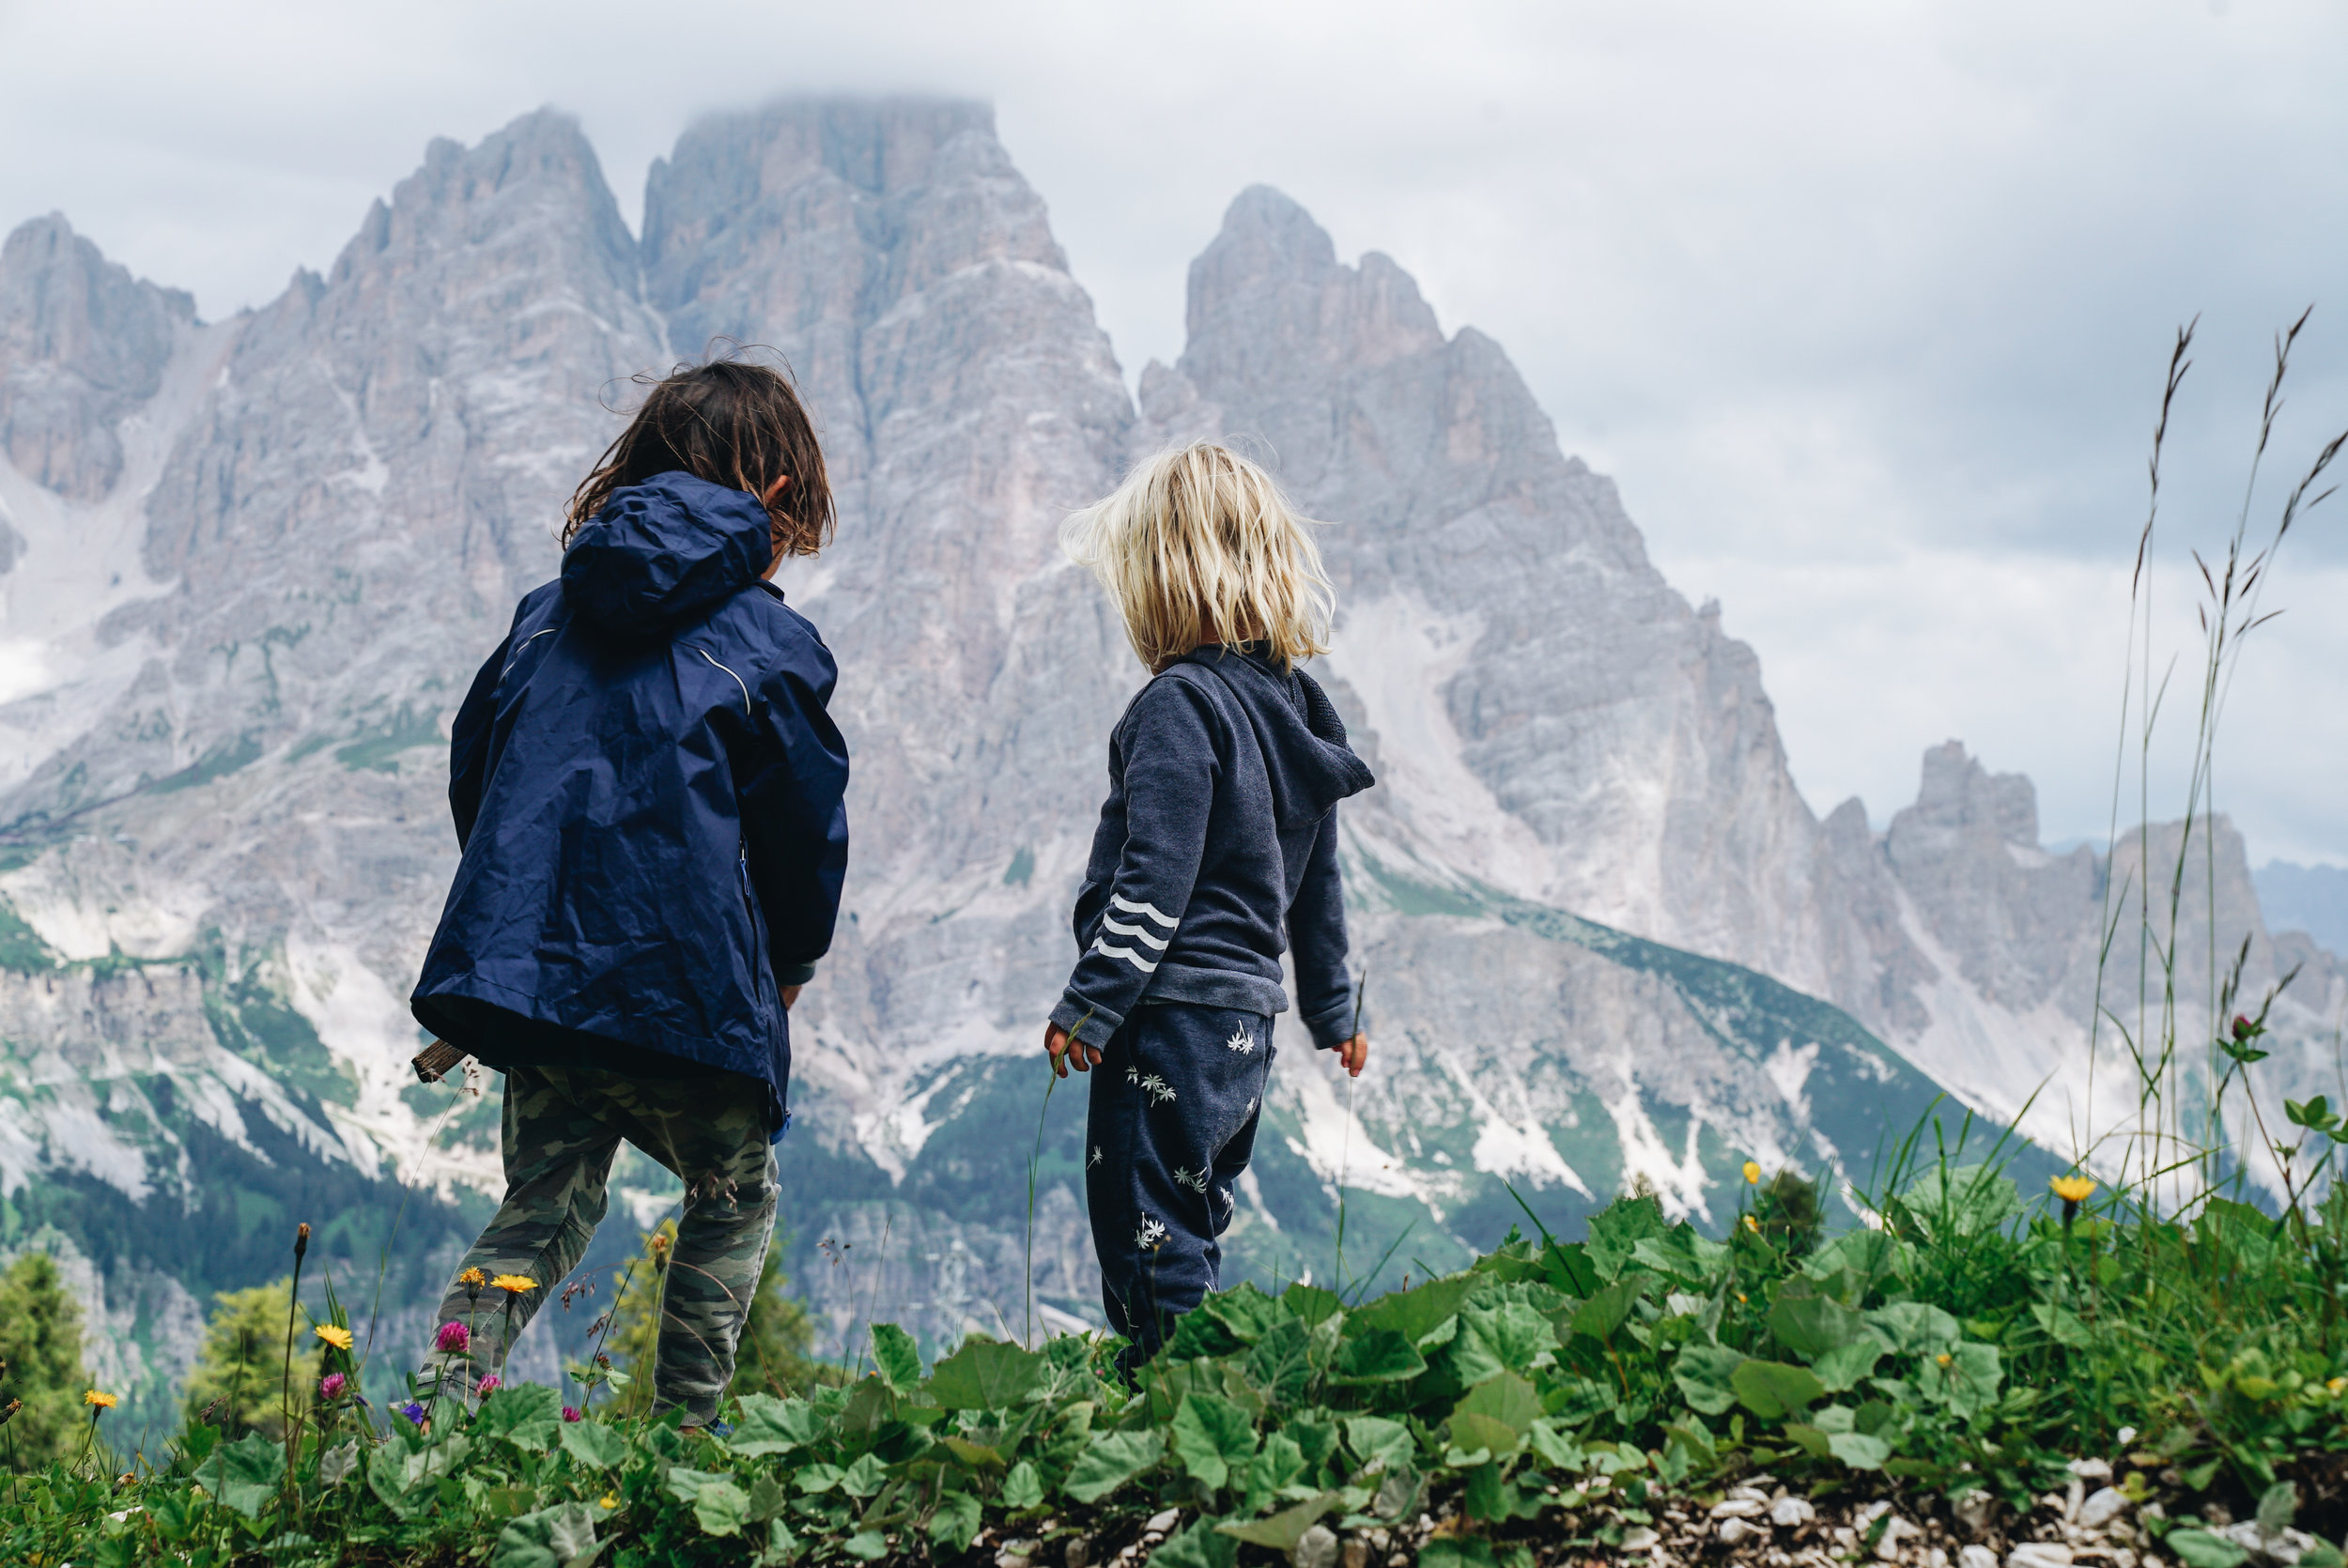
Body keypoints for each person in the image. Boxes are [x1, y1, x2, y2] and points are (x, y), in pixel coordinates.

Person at [408, 356, 849, 1424]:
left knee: (543, 1204)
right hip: (683, 995)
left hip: (540, 983)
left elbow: (480, 771)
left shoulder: (544, 614)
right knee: (731, 1191)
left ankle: (425, 1429)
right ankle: (684, 1449)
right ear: (778, 494)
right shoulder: (771, 643)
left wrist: (524, 921)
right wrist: (789, 962)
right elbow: (804, 829)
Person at [1045, 441, 1374, 1372]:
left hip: (1166, 1013)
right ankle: (1201, 1392)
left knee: (1142, 1230)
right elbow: (1317, 887)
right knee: (1192, 1212)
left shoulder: (1176, 706)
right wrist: (1333, 1006)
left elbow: (1155, 874)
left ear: (1159, 578)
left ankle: (1183, 1407)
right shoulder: (1300, 715)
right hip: (1244, 1024)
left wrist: (1094, 1001)